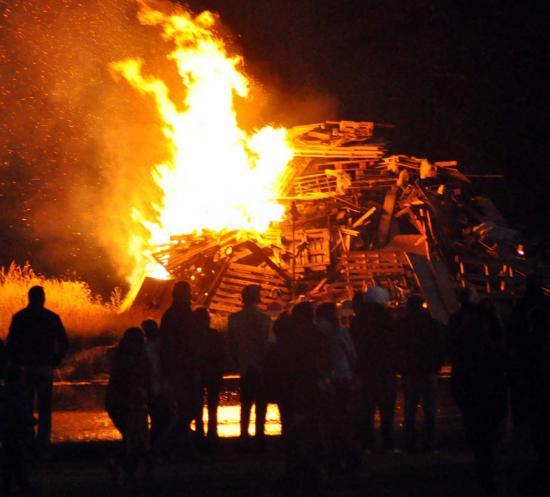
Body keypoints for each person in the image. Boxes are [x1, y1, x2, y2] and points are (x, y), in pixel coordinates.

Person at [449, 287, 507, 497]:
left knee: (478, 434)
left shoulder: (457, 324)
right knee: (487, 441)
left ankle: (483, 469)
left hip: (471, 392)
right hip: (486, 396)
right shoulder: (492, 352)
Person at [6, 285, 69, 453]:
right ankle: (43, 443)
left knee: (25, 405)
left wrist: (16, 362)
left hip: (26, 367)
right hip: (44, 367)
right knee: (45, 406)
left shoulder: (20, 317)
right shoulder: (51, 317)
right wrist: (55, 360)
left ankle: (27, 440)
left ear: (29, 298)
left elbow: (11, 344)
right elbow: (64, 342)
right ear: (43, 298)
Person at [395, 295, 446, 453]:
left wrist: (402, 369)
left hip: (411, 373)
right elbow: (440, 347)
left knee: (409, 412)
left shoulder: (403, 326)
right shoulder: (432, 324)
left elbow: (398, 349)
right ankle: (429, 444)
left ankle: (409, 444)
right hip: (428, 371)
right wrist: (437, 366)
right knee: (430, 411)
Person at [351, 286, 397, 453]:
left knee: (366, 412)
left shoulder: (358, 322)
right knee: (386, 414)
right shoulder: (390, 320)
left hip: (365, 373)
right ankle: (387, 445)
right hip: (386, 372)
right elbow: (395, 347)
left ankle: (367, 444)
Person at [227, 285, 274, 447]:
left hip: (245, 365)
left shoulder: (234, 319)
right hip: (260, 366)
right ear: (256, 298)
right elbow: (267, 343)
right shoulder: (263, 319)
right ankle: (259, 437)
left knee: (246, 403)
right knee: (261, 404)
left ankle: (244, 436)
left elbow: (231, 343)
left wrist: (236, 361)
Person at [105, 327, 151, 484]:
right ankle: (124, 469)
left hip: (128, 404)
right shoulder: (128, 358)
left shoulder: (128, 356)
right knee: (134, 440)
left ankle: (120, 466)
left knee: (132, 439)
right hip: (123, 404)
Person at [158, 281, 202, 447]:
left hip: (183, 367)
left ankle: (180, 444)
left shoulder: (173, 314)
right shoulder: (178, 314)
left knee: (186, 409)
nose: (189, 296)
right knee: (187, 409)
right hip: (182, 368)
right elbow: (171, 343)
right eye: (186, 293)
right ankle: (165, 444)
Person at [316, 302, 357, 471]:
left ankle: (331, 458)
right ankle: (349, 458)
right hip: (343, 377)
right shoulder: (341, 332)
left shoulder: (317, 332)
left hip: (325, 381)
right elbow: (352, 354)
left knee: (327, 421)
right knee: (344, 419)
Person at [0, 365, 35, 492]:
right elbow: (22, 412)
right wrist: (29, 423)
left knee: (8, 460)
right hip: (16, 432)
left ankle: (6, 484)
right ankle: (23, 485)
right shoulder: (19, 393)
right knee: (19, 460)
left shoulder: (4, 393)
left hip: (7, 432)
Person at [193, 307, 225, 443]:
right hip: (213, 371)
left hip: (198, 371)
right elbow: (221, 352)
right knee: (213, 404)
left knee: (197, 404)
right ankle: (212, 432)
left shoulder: (192, 336)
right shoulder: (214, 334)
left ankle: (199, 432)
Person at [141, 319, 163, 446]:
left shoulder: (147, 347)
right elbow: (156, 369)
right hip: (155, 388)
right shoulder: (152, 347)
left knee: (156, 418)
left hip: (151, 388)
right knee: (158, 418)